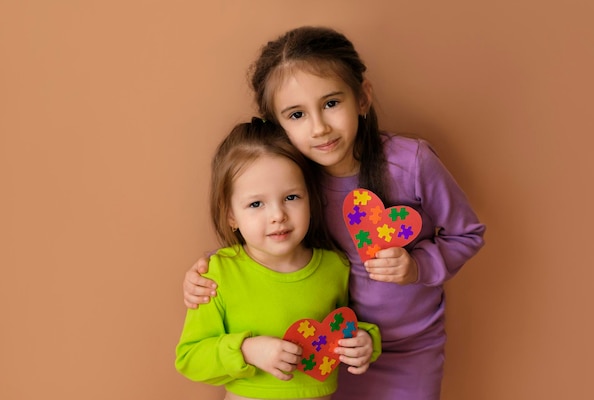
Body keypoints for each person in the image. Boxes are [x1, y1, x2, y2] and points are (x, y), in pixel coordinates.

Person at [183, 26, 486, 400]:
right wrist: (207, 274)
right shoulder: (294, 183)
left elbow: (467, 233)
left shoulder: (411, 163)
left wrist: (417, 266)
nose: (319, 127)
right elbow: (265, 242)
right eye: (296, 114)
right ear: (277, 127)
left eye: (330, 103)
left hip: (410, 348)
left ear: (362, 97)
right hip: (328, 356)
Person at [175, 118, 381, 400]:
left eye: (292, 197)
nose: (277, 215)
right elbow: (189, 357)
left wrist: (366, 341)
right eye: (256, 204)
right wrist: (247, 350)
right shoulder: (216, 274)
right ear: (231, 215)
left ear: (311, 197)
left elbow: (349, 323)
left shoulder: (336, 266)